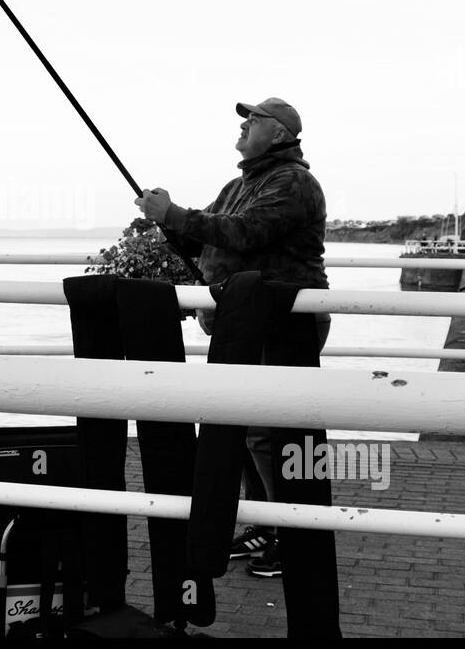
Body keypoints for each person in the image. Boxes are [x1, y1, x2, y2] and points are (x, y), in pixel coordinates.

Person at [135, 97, 330, 578]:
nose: (243, 126)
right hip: (244, 321)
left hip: (285, 319)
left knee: (266, 431)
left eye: (254, 120)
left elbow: (247, 233)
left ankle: (290, 533)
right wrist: (169, 221)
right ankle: (266, 522)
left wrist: (177, 215)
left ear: (280, 134)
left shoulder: (293, 182)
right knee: (240, 431)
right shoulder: (238, 184)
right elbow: (211, 237)